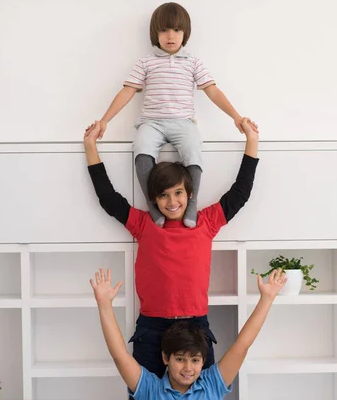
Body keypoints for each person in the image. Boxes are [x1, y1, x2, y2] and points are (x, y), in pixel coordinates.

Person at [83, 117, 259, 379]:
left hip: (195, 325)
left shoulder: (206, 222)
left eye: (178, 193)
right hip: (152, 328)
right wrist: (90, 148)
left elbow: (240, 193)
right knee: (143, 393)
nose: (172, 201)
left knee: (203, 395)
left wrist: (252, 141)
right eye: (163, 195)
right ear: (154, 198)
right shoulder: (144, 224)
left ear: (190, 193)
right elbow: (108, 198)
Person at [84, 2, 256, 228]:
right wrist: (105, 120)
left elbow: (212, 90)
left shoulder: (192, 62)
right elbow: (127, 91)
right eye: (164, 30)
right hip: (151, 123)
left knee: (194, 149)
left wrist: (236, 116)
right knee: (142, 150)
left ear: (185, 34)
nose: (170, 36)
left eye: (176, 30)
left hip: (183, 122)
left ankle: (191, 203)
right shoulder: (146, 63)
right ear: (156, 34)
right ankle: (153, 204)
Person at [90, 267, 287, 399]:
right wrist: (104, 305)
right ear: (166, 357)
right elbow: (119, 356)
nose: (188, 368)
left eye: (195, 360)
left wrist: (267, 299)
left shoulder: (211, 385)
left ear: (203, 361)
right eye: (180, 359)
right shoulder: (151, 389)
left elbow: (242, 346)